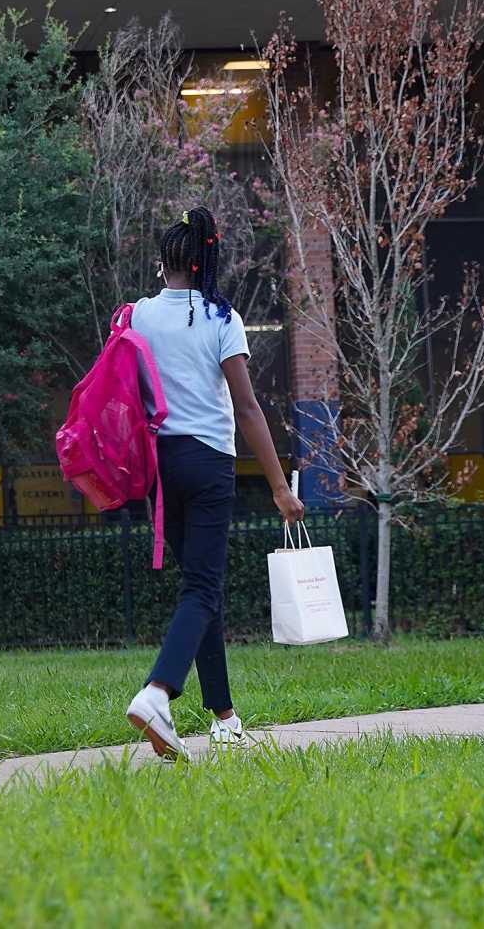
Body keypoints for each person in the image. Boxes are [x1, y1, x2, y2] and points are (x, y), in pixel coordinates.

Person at [123, 207, 304, 759]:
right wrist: (279, 487)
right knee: (202, 588)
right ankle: (158, 692)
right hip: (207, 464)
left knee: (203, 590)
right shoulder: (222, 317)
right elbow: (247, 409)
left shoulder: (137, 316)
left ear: (164, 262)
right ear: (207, 259)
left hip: (159, 467)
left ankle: (224, 717)